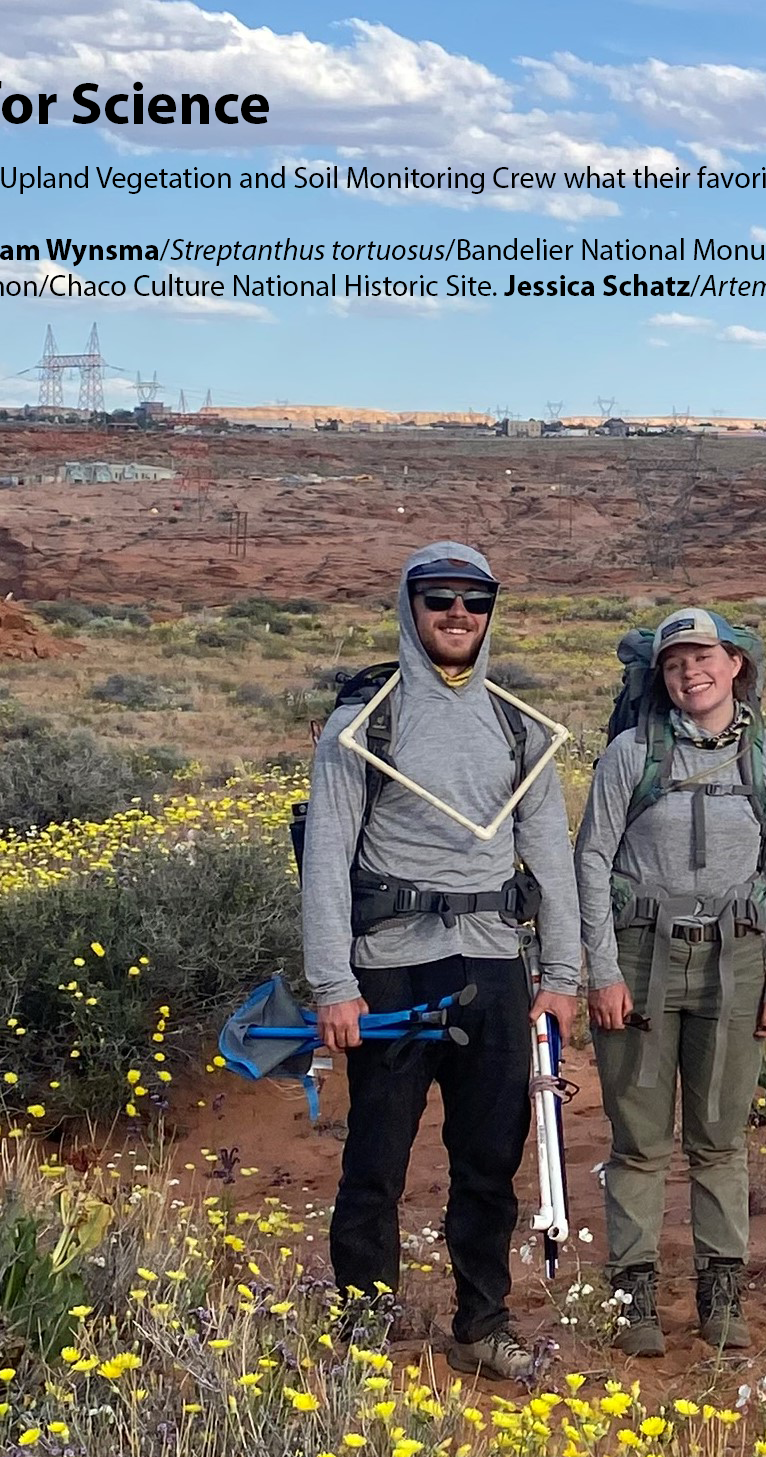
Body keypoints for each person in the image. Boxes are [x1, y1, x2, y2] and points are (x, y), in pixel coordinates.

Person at [301, 542, 582, 1381]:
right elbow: (326, 855)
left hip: (496, 966)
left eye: (475, 600)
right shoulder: (366, 721)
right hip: (391, 969)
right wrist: (332, 983)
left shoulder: (519, 726)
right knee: (376, 1159)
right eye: (439, 598)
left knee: (489, 1158)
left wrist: (561, 974)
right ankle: (362, 1325)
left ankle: (481, 1324)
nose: (457, 613)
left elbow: (552, 859)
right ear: (410, 605)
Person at [576, 608, 766, 1357]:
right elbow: (591, 859)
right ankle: (634, 1295)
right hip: (641, 956)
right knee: (638, 1138)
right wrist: (601, 970)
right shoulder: (627, 756)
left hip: (734, 961)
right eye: (674, 662)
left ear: (736, 663)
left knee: (719, 1136)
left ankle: (721, 1294)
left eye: (702, 656)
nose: (689, 672)